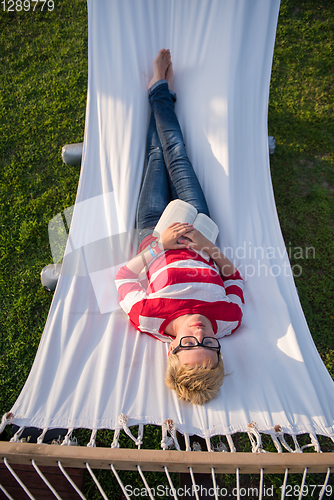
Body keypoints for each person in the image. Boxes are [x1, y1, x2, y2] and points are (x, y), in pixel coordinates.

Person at [115, 49, 244, 405]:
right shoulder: (229, 320)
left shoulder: (148, 318)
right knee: (177, 152)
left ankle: (161, 89)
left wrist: (161, 246)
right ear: (219, 352)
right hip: (199, 227)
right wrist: (204, 245)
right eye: (208, 346)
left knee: (157, 156)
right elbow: (233, 278)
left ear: (172, 350)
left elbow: (124, 277)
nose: (199, 335)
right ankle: (160, 90)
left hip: (153, 232)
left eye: (189, 345)